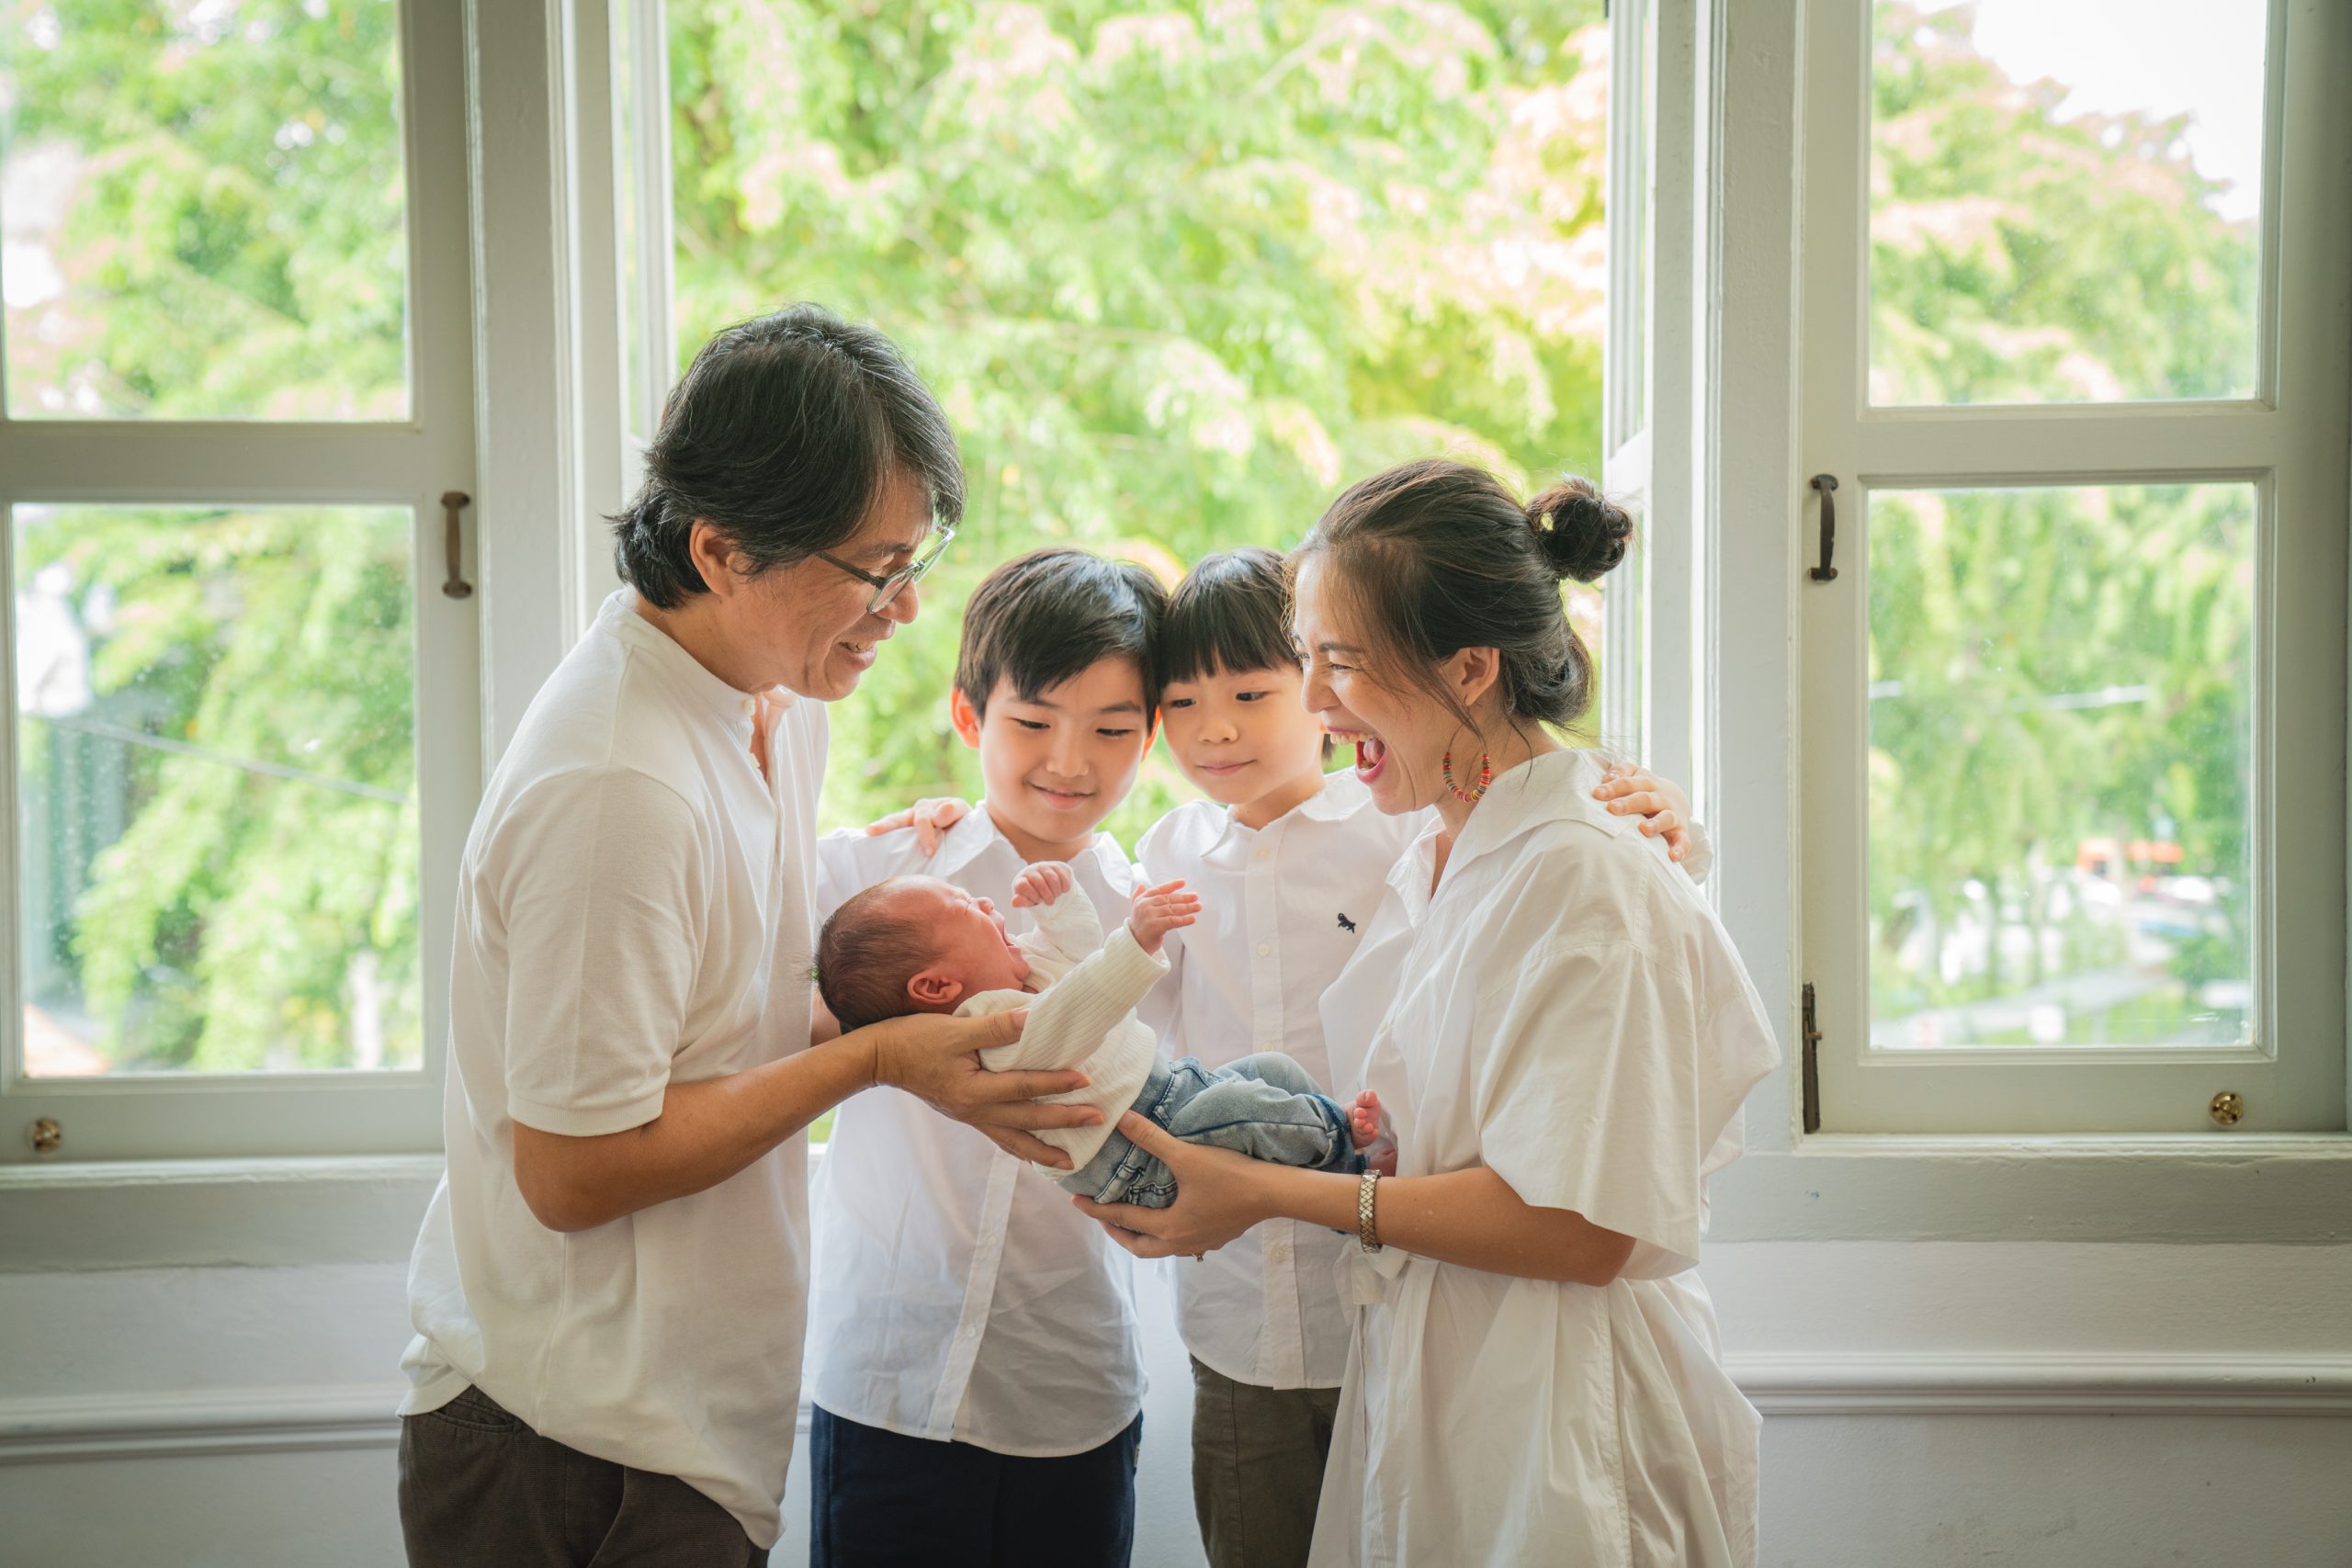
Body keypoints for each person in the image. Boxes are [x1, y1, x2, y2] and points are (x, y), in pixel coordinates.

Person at [395, 306, 1097, 1567]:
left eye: (916, 553)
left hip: (687, 1423)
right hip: (572, 1445)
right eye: (874, 568)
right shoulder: (618, 783)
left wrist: (930, 1014)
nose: (905, 603)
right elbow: (572, 1170)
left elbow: (728, 1024)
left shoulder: (775, 699)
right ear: (722, 550)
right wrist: (880, 1063)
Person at [1075, 458, 1781, 1568]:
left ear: (1470, 666)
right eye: (1307, 660)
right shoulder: (1440, 851)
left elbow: (1580, 1229)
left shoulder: (1588, 879)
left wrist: (1265, 1191)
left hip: (1558, 1418)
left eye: (1340, 663)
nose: (1312, 703)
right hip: (1434, 1380)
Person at [805, 547, 1164, 1568]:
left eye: (1111, 730)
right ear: (970, 718)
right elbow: (748, 1025)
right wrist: (900, 1044)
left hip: (1069, 1383)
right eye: (1034, 722)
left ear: (1151, 737)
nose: (1070, 760)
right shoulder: (872, 871)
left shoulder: (1145, 916)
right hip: (886, 1372)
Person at [814, 862, 1383, 1204]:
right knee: (1246, 1102)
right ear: (936, 988)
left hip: (1172, 1095)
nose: (986, 902)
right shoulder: (985, 1035)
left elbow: (1078, 954)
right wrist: (1135, 940)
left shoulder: (1025, 973)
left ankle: (1329, 1147)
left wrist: (1058, 900)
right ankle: (1350, 1165)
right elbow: (1083, 1002)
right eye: (964, 908)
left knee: (1271, 1072)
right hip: (1136, 1156)